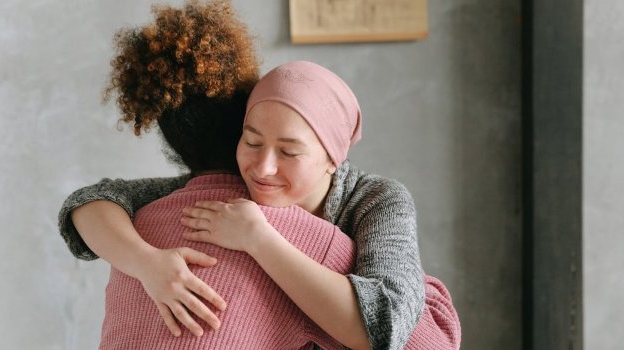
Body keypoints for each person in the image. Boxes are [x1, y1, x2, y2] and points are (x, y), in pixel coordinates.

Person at [59, 2, 460, 349]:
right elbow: (92, 201)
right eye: (252, 142)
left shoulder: (376, 200)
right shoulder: (230, 189)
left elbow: (392, 327)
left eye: (289, 151)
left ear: (332, 158)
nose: (263, 167)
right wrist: (149, 264)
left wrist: (260, 239)